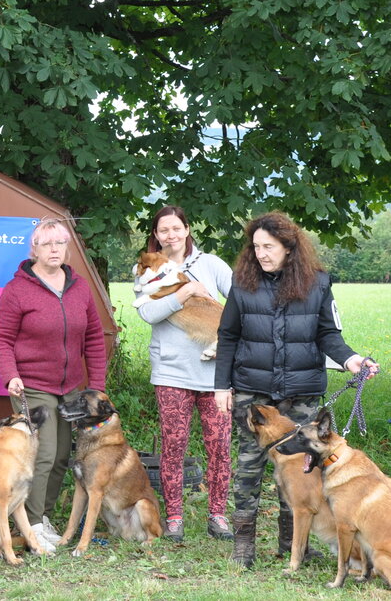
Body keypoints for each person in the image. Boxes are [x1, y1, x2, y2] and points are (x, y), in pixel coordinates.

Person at [213, 211, 380, 569]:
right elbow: (227, 336)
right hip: (253, 392)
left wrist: (351, 359)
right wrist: (221, 385)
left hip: (301, 392)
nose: (261, 254)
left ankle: (292, 543)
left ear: (289, 247)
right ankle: (243, 544)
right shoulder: (242, 284)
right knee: (248, 468)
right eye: (256, 247)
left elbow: (328, 334)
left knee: (302, 470)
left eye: (269, 247)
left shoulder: (317, 283)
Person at [0, 216, 108, 549]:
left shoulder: (79, 287)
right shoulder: (18, 289)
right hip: (31, 384)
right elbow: (1, 338)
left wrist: (96, 386)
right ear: (35, 249)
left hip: (70, 387)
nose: (54, 249)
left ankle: (43, 518)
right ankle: (31, 525)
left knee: (60, 457)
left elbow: (94, 339)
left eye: (60, 243)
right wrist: (10, 375)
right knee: (43, 454)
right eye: (47, 243)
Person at [136, 205, 235, 542]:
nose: (171, 235)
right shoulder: (148, 267)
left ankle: (218, 515)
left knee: (220, 446)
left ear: (187, 229)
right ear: (156, 234)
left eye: (176, 228)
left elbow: (242, 301)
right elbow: (149, 313)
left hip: (215, 376)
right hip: (172, 373)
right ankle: (175, 517)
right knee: (173, 447)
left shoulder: (211, 264)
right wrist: (186, 291)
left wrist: (229, 337)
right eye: (164, 230)